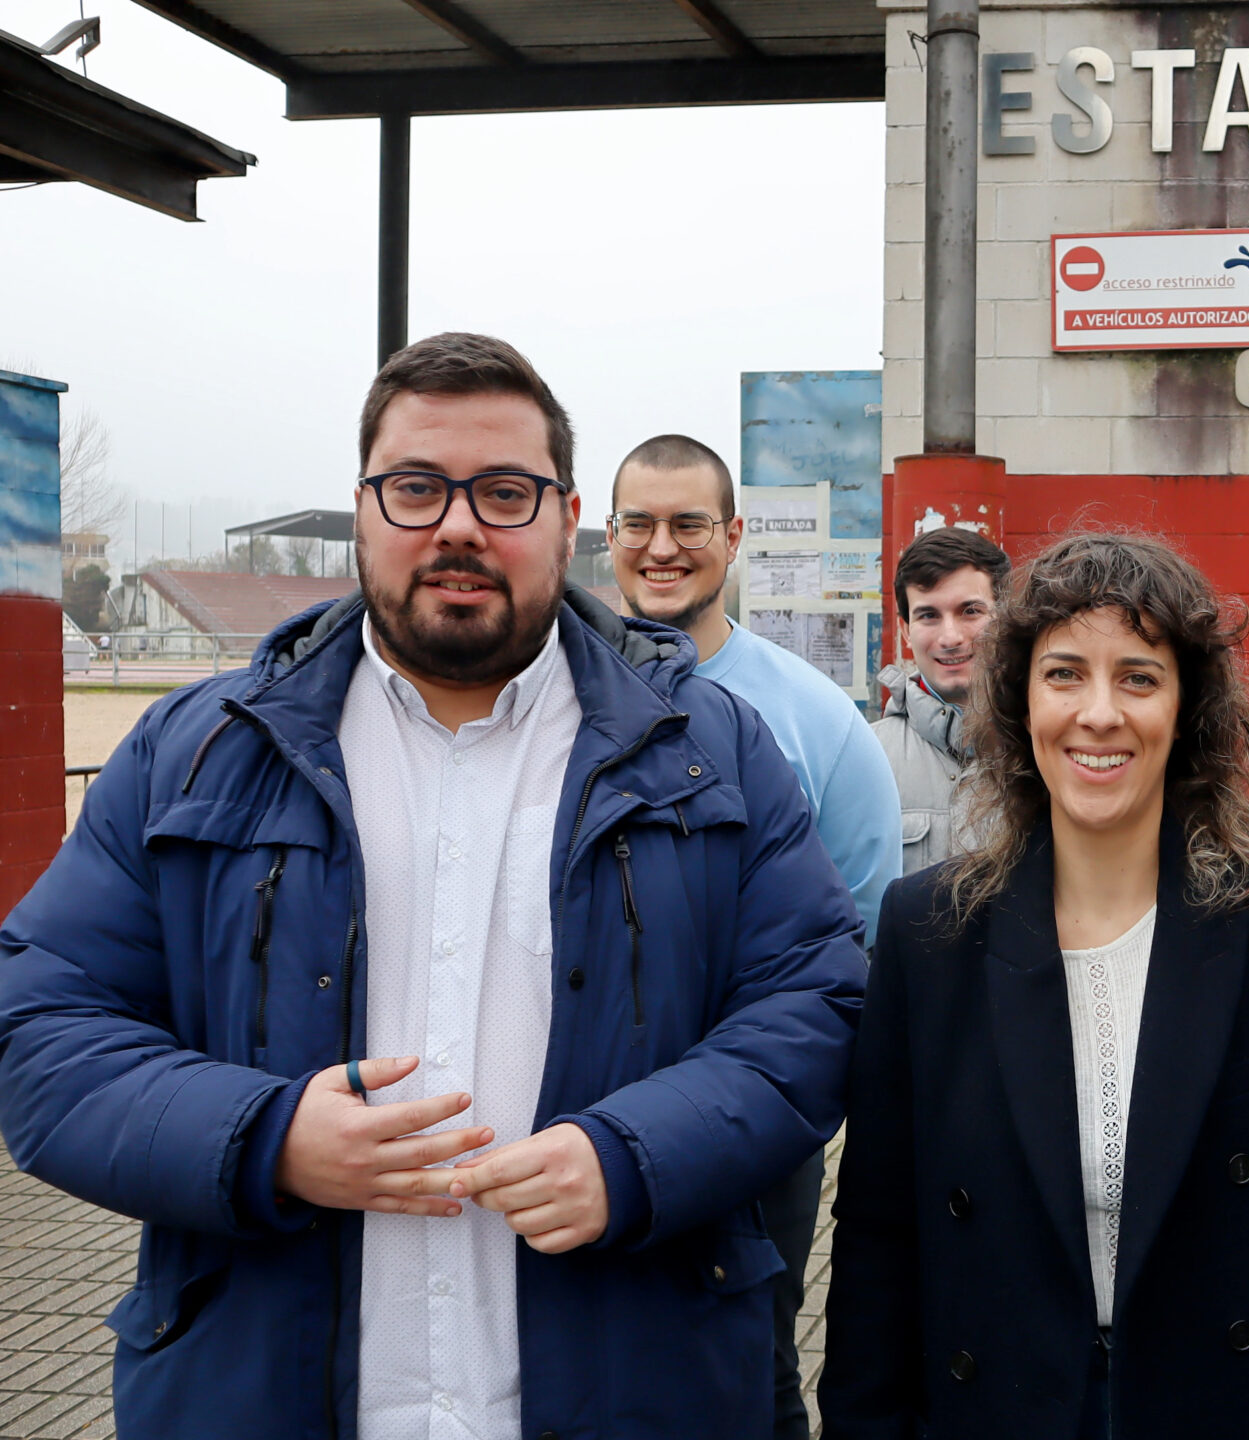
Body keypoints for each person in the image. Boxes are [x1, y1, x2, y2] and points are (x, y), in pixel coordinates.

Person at [0, 333, 863, 1439]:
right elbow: (43, 1036)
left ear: (564, 520)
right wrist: (261, 1139)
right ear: (363, 508)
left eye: (504, 492)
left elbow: (814, 1007)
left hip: (636, 1386)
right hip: (258, 1393)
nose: (458, 524)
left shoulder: (712, 749)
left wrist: (637, 1156)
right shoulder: (194, 751)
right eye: (417, 488)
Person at [821, 531, 1249, 1440]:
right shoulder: (928, 930)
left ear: (1186, 709)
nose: (1099, 713)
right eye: (1064, 674)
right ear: (1019, 701)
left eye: (1138, 677)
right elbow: (876, 1243)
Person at [606, 430, 901, 1440]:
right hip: (580, 1107)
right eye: (638, 523)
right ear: (605, 536)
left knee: (752, 1371)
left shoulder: (818, 722)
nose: (662, 546)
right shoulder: (542, 699)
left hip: (756, 1128)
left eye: (689, 523)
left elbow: (861, 939)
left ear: (732, 538)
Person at [875, 525, 1011, 872]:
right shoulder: (866, 756)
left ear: (1006, 617)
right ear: (906, 631)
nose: (950, 637)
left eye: (970, 611)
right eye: (929, 615)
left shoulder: (1047, 747)